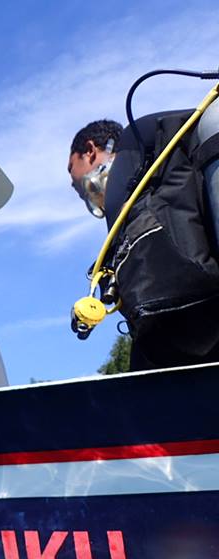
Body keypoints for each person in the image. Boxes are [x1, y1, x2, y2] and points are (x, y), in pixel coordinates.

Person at [68, 115, 219, 370]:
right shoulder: (175, 153)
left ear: (90, 151)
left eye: (76, 182)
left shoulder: (134, 165)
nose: (81, 191)